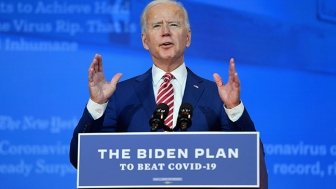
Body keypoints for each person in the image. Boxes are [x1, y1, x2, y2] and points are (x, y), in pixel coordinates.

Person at [69, 0, 268, 188]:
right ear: (145, 41)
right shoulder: (120, 95)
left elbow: (253, 161)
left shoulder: (216, 95)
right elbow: (81, 160)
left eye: (173, 24)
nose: (165, 32)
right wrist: (97, 104)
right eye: (156, 26)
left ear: (187, 37)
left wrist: (234, 109)